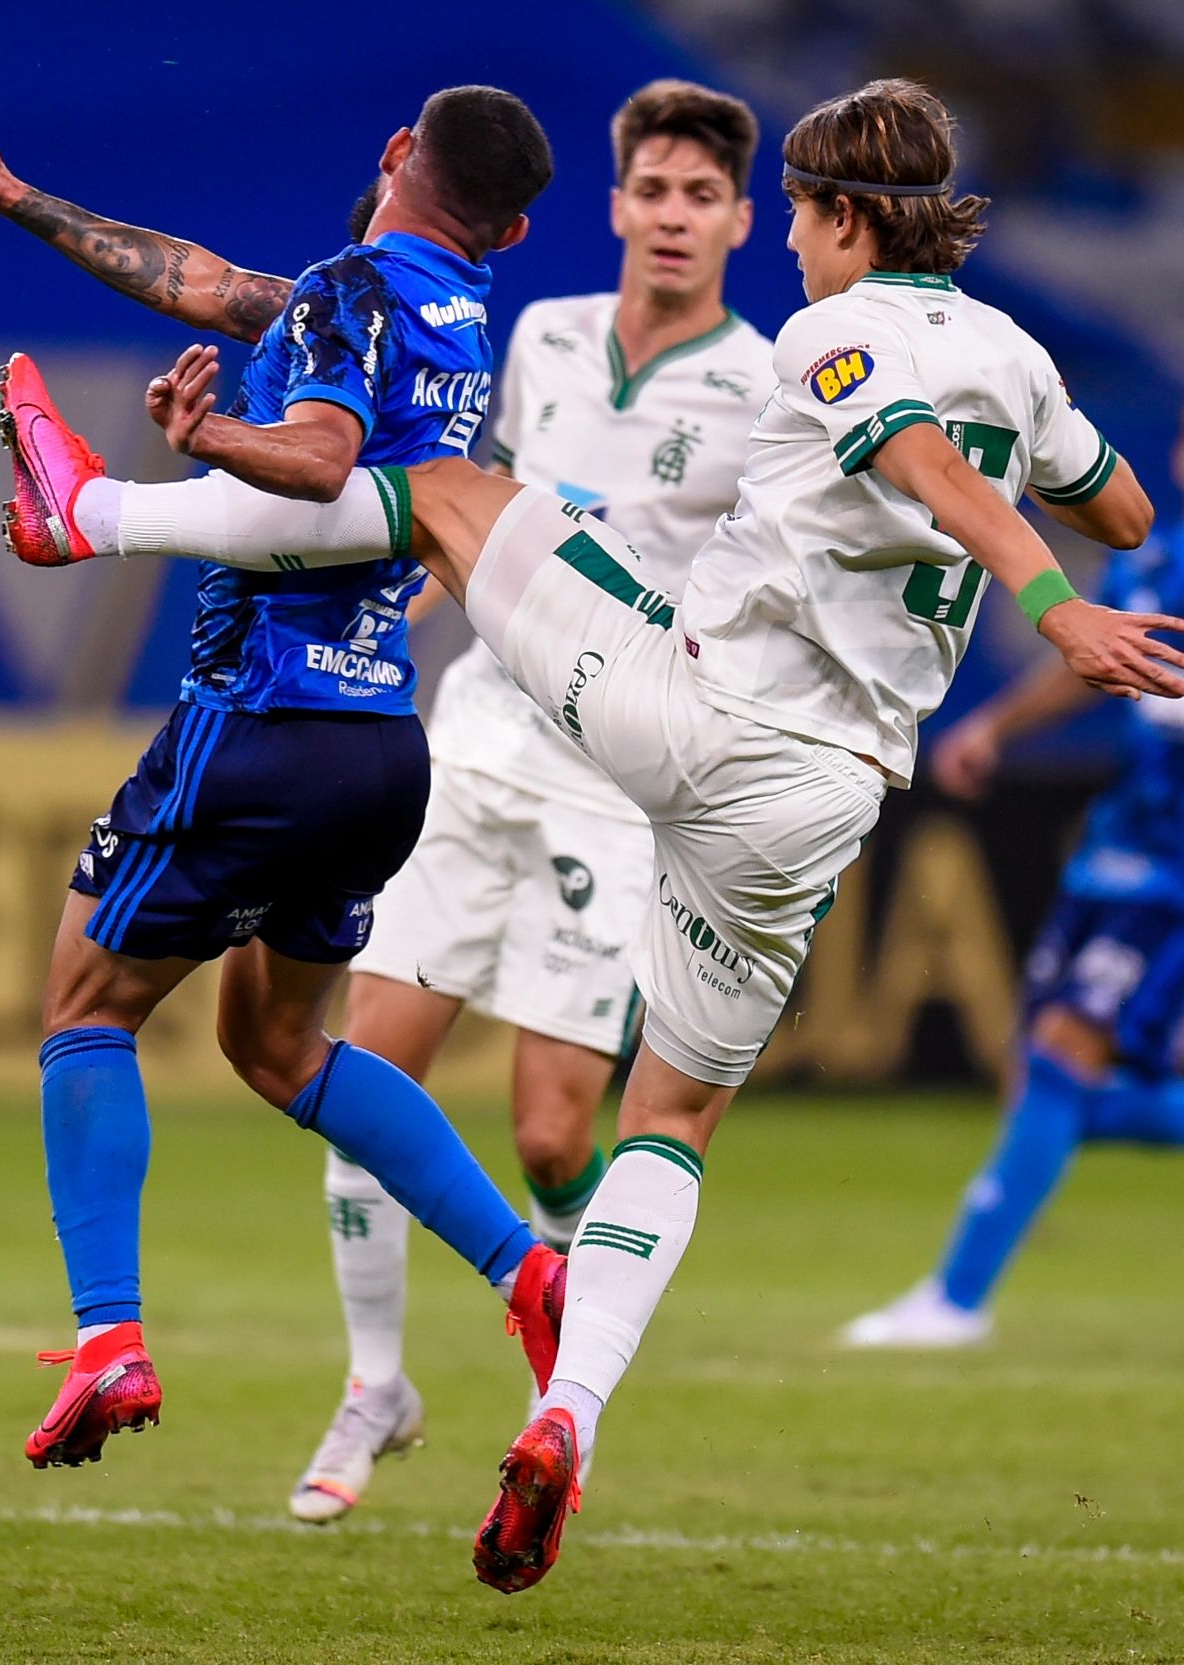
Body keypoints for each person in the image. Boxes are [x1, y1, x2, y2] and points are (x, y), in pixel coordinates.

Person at [0, 79, 1184, 1589]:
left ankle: (86, 512)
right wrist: (1065, 529)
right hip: (818, 809)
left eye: (798, 229)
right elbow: (1128, 506)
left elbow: (923, 467)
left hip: (680, 715)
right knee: (670, 1125)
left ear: (827, 215)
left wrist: (1047, 600)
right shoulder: (1018, 359)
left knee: (442, 489)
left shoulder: (832, 331)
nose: (792, 261)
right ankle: (567, 1410)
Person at [0, 67, 577, 1473]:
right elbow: (206, 283)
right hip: (378, 750)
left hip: (261, 720)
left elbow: (325, 459)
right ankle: (532, 1274)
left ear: (396, 148)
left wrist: (215, 437)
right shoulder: (456, 326)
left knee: (87, 1004)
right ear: (511, 235)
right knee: (277, 1046)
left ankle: (110, 1340)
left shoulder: (349, 290)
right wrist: (17, 197)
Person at [297, 79, 773, 1526]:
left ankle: (558, 1399)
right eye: (654, 192)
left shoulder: (762, 385)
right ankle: (375, 1381)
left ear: (741, 223)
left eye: (703, 197)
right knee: (365, 1077)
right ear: (617, 206)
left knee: (560, 1135)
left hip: (615, 782)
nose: (674, 217)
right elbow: (456, 491)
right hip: (480, 741)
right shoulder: (540, 334)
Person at [844, 382, 1184, 1349]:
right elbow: (1089, 663)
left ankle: (956, 1298)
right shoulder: (1159, 562)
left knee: (1062, 1055)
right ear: (1180, 459)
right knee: (1042, 1077)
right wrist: (996, 729)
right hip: (1119, 843)